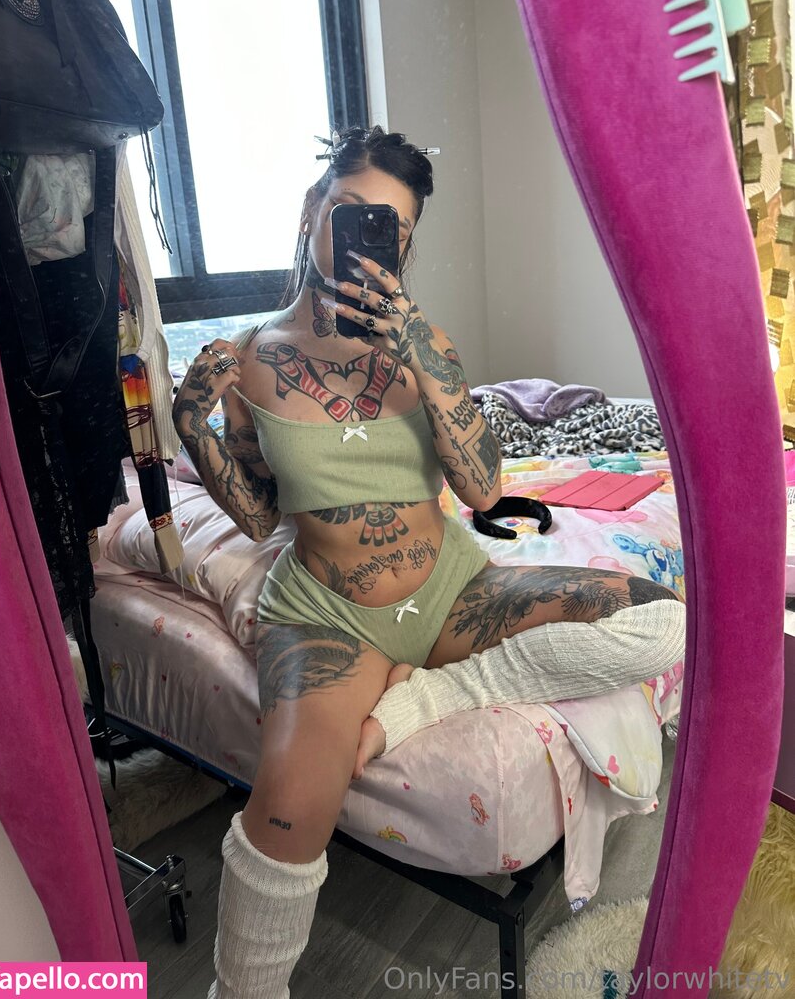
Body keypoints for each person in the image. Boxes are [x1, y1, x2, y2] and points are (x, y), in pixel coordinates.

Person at [171, 125, 685, 999]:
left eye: (392, 231)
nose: (367, 242)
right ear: (312, 210)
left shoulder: (425, 346)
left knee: (661, 620)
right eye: (350, 212)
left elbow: (485, 490)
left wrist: (422, 356)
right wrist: (195, 429)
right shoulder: (252, 358)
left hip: (451, 590)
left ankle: (428, 697)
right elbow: (259, 514)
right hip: (326, 613)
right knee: (287, 808)